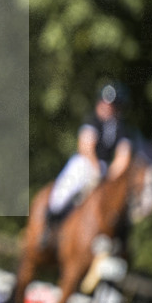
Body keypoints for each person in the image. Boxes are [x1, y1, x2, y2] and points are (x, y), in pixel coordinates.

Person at [45, 82, 134, 230]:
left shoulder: (122, 129)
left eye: (112, 105)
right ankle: (49, 225)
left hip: (106, 169)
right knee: (62, 194)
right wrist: (96, 169)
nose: (107, 107)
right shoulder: (92, 120)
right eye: (105, 103)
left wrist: (111, 174)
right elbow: (86, 148)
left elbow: (123, 156)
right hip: (85, 164)